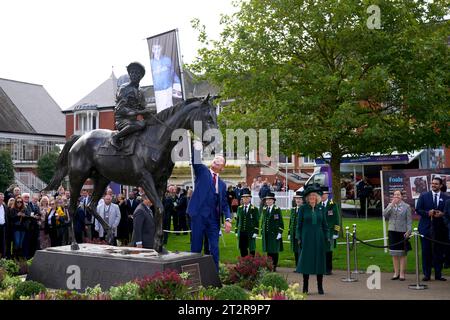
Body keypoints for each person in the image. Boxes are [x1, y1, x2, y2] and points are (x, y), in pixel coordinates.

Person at [187, 140, 232, 271]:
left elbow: (224, 204)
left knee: (214, 248)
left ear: (222, 168)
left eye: (220, 161)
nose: (216, 160)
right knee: (196, 247)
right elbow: (196, 161)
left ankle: (214, 276)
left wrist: (228, 219)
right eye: (215, 159)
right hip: (198, 216)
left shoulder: (222, 185)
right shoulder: (203, 172)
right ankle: (192, 275)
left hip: (213, 219)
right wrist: (197, 147)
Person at [296, 184, 329, 295]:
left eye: (314, 196)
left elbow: (325, 225)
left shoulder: (321, 208)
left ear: (317, 197)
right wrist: (298, 237)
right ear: (307, 198)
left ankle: (320, 286)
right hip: (306, 238)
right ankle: (305, 287)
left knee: (319, 261)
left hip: (319, 238)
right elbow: (298, 225)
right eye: (310, 196)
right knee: (306, 262)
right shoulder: (303, 209)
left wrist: (327, 236)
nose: (312, 198)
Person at [416, 177, 449, 281]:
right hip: (425, 228)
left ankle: (438, 275)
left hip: (440, 229)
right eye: (432, 183)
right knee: (426, 251)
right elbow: (418, 209)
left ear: (440, 185)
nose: (433, 185)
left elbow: (448, 213)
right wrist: (427, 213)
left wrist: (442, 214)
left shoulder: (446, 197)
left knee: (438, 251)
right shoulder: (424, 195)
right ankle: (427, 274)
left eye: (436, 184)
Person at [111, 62, 149, 149]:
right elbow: (120, 109)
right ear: (129, 74)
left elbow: (144, 109)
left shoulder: (141, 92)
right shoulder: (124, 88)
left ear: (140, 76)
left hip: (133, 121)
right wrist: (139, 112)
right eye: (132, 72)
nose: (134, 75)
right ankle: (115, 137)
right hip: (122, 121)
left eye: (137, 73)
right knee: (140, 125)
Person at [383, 190, 412, 281]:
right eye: (395, 194)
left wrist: (408, 231)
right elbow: (384, 215)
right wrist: (391, 205)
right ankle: (396, 273)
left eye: (398, 195)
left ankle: (402, 273)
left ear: (401, 196)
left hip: (402, 232)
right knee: (394, 253)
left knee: (402, 254)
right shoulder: (390, 205)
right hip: (392, 231)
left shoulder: (406, 207)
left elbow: (409, 221)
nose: (396, 196)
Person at [150, 42, 182, 113]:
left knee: (169, 111)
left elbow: (173, 74)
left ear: (161, 49)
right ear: (152, 50)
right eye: (155, 49)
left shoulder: (167, 60)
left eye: (158, 48)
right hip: (158, 91)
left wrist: (179, 84)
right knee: (161, 112)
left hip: (168, 89)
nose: (157, 51)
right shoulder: (151, 63)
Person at [261, 192, 284, 272]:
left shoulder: (277, 209)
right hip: (266, 234)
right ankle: (269, 265)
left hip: (274, 234)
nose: (268, 201)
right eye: (267, 200)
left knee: (274, 251)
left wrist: (279, 232)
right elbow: (263, 221)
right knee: (268, 250)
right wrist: (262, 230)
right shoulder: (264, 209)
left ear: (273, 201)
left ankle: (274, 266)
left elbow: (280, 222)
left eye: (270, 200)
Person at [321, 188, 341, 275]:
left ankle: (328, 269)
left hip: (330, 232)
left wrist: (336, 232)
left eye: (324, 194)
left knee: (328, 250)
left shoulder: (332, 205)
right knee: (321, 250)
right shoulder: (318, 205)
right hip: (320, 232)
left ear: (327, 195)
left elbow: (337, 219)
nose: (322, 196)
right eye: (321, 194)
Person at [235, 188, 259, 257]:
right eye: (244, 198)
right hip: (242, 232)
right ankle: (244, 263)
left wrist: (256, 231)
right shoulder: (239, 208)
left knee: (251, 248)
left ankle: (251, 264)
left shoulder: (254, 209)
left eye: (247, 198)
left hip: (250, 232)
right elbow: (238, 220)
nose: (245, 199)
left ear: (250, 199)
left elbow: (256, 221)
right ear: (242, 199)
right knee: (242, 248)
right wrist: (236, 230)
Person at [289, 191, 303, 268]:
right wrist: (289, 233)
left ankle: (301, 266)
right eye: (297, 199)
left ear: (302, 200)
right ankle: (297, 266)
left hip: (301, 234)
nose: (298, 200)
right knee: (295, 250)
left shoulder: (304, 210)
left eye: (299, 199)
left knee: (301, 250)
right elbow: (291, 222)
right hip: (293, 233)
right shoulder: (293, 210)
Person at [0, 193, 7, 258]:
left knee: (3, 243)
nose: (2, 199)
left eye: (3, 198)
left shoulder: (4, 206)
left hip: (3, 226)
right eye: (0, 198)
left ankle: (3, 257)